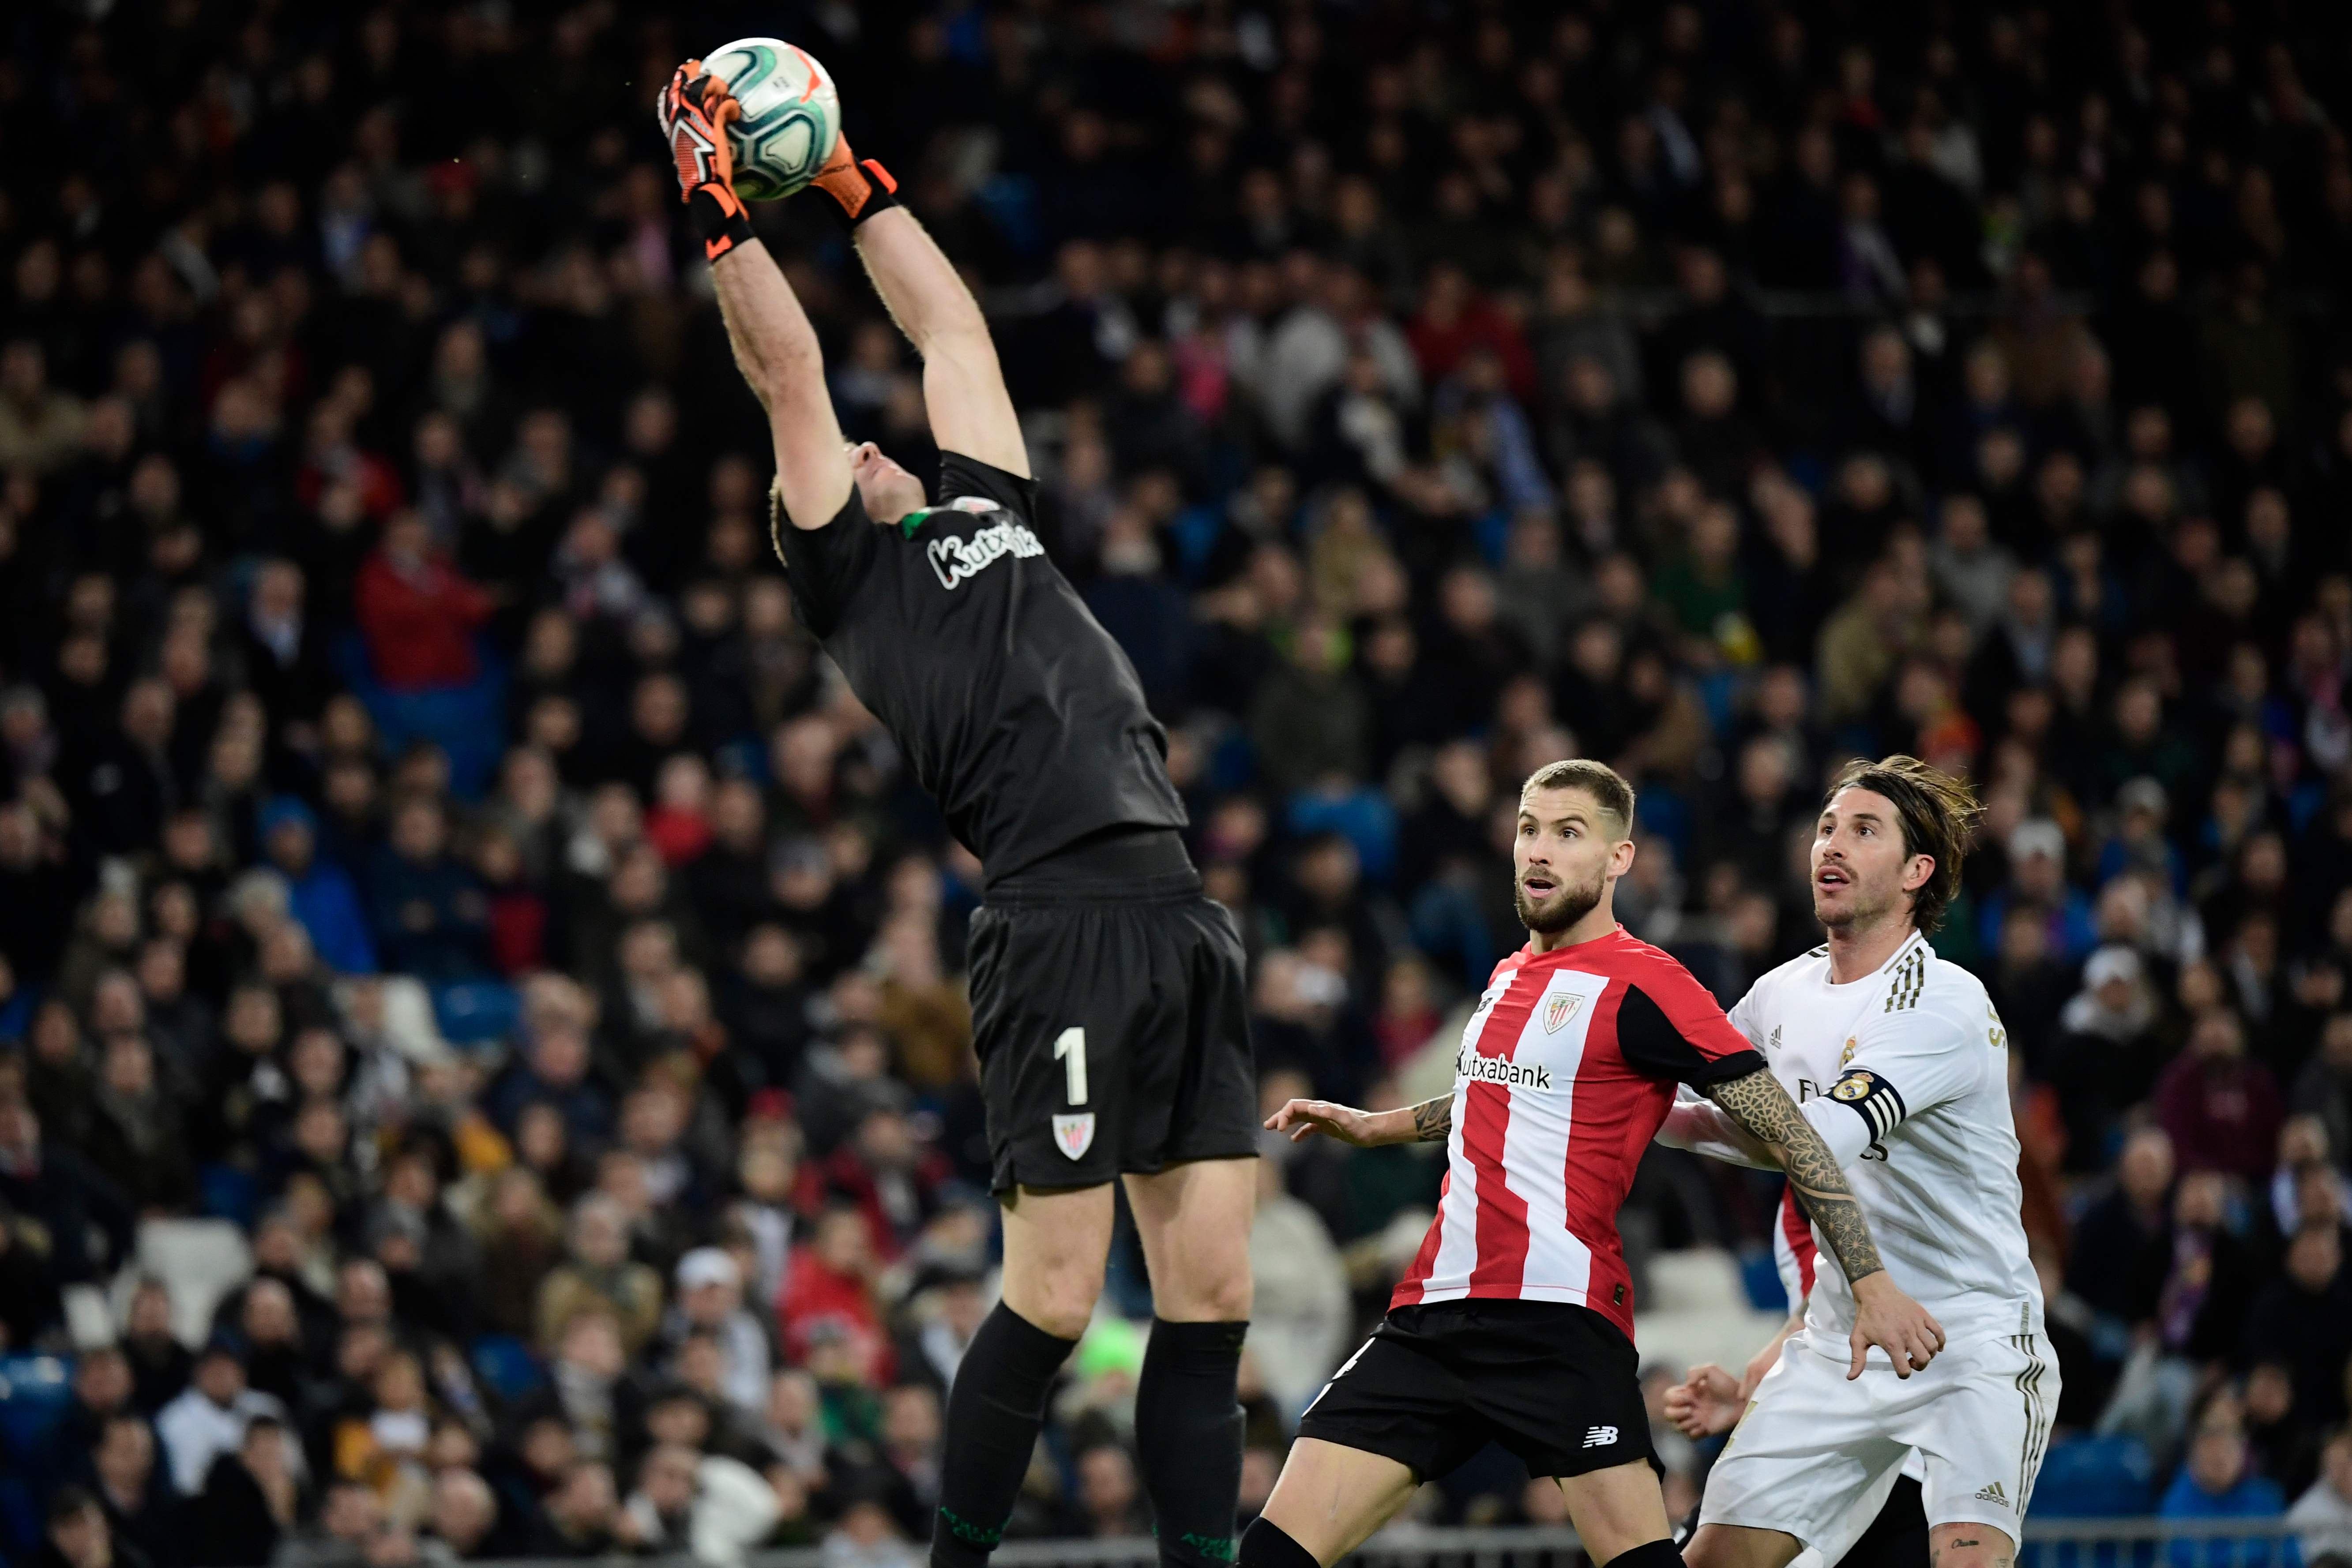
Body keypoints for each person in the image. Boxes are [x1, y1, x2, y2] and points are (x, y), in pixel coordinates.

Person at [659, 62, 1256, 1568]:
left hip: (1178, 908)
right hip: (1054, 918)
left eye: (883, 436)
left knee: (1210, 1298)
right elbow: (791, 376)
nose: (870, 436)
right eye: (845, 452)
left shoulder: (987, 504)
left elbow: (949, 327)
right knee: (1057, 1294)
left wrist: (851, 175)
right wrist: (721, 210)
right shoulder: (846, 575)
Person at [1246, 760, 1940, 1568]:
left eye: (1568, 833)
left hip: (1558, 1327)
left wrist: (1871, 1283)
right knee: (1270, 1556)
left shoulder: (1650, 984)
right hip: (1431, 1321)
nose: (1539, 851)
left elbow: (1793, 1133)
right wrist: (1379, 1126)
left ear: (1618, 859)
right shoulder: (1509, 974)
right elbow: (1492, 1095)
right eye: (1528, 829)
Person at [1657, 756, 2059, 1568]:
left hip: (1970, 1342)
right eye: (1826, 827)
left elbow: (1809, 1141)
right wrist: (1638, 1112)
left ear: (1917, 873)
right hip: (1841, 1345)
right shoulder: (1779, 994)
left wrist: (1666, 1117)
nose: (1830, 845)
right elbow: (1735, 1119)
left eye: (1863, 829)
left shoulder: (1942, 1003)